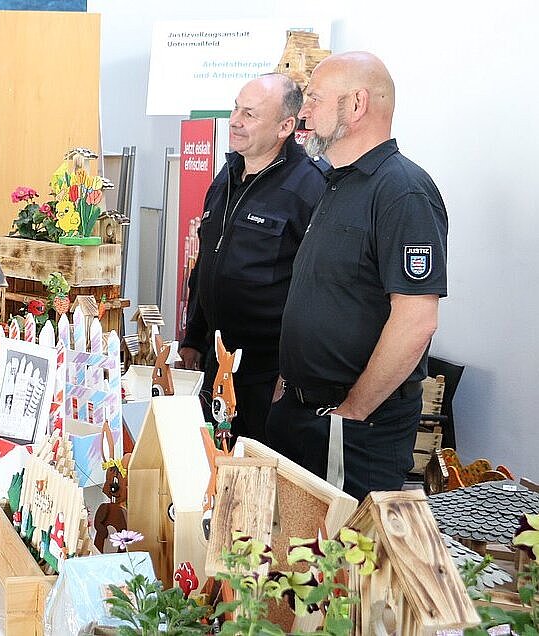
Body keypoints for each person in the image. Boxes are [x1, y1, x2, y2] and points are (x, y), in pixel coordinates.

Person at [266, 52, 448, 501]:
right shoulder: (337, 182)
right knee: (289, 559)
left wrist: (351, 412)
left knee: (338, 565)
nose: (303, 111)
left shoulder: (403, 191)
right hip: (300, 411)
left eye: (315, 99)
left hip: (352, 429)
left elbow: (416, 321)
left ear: (357, 104)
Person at [178, 73, 327, 442]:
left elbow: (317, 292)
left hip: (269, 378)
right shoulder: (225, 177)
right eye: (235, 108)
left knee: (258, 482)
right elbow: (207, 265)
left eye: (250, 113)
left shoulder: (311, 188)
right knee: (215, 472)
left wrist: (290, 374)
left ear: (285, 126)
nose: (234, 120)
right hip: (218, 364)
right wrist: (193, 337)